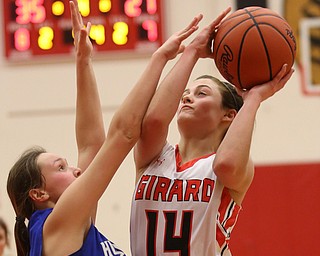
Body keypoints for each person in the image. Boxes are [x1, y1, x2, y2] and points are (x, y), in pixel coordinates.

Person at [6, 0, 204, 255]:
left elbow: (91, 145)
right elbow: (123, 135)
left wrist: (83, 60)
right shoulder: (58, 223)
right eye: (61, 168)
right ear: (39, 193)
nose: (76, 170)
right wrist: (160, 58)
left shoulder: (64, 223)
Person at [130, 8, 295, 256]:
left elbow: (226, 165)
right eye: (186, 93)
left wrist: (254, 98)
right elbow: (153, 120)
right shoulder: (153, 158)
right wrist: (194, 50)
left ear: (228, 115)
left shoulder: (225, 167)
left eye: (201, 93)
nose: (186, 98)